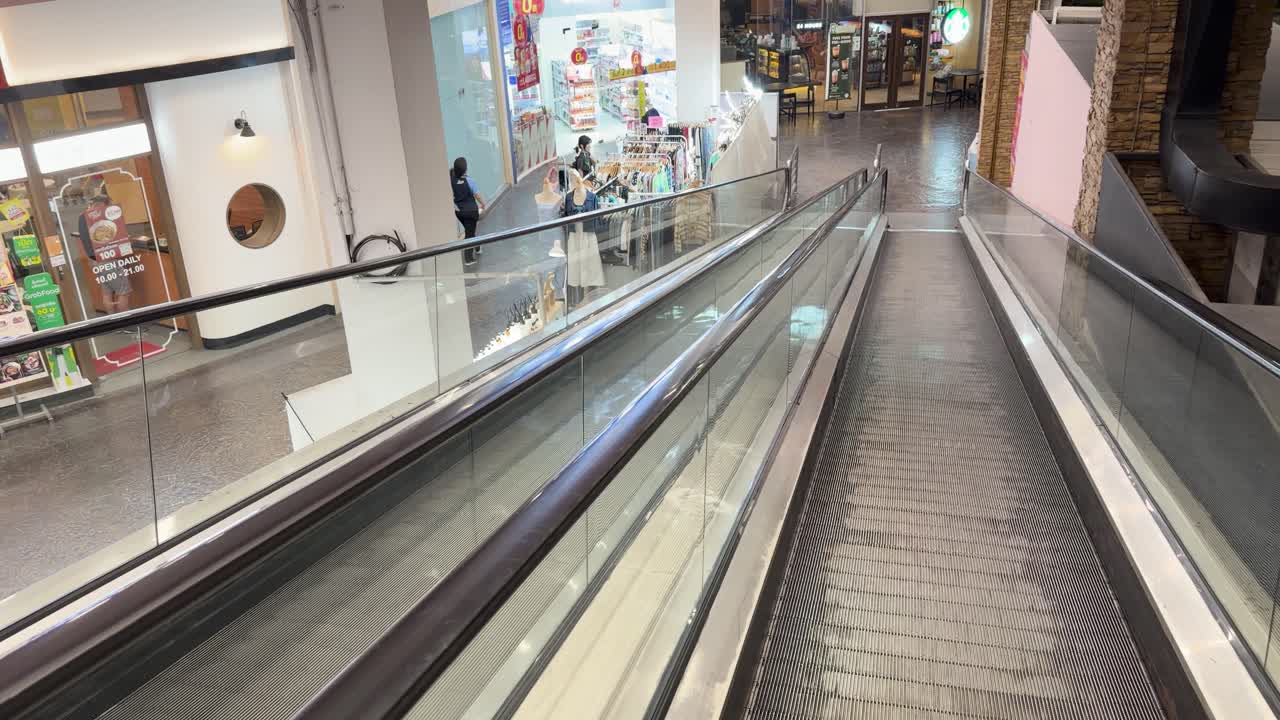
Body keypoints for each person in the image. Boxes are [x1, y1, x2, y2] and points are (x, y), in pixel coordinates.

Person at [450, 157, 485, 266]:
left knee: (470, 230)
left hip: (459, 212)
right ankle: (468, 258)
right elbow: (477, 195)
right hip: (471, 212)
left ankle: (478, 247)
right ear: (465, 169)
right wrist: (483, 204)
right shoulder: (470, 180)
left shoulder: (451, 180)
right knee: (469, 234)